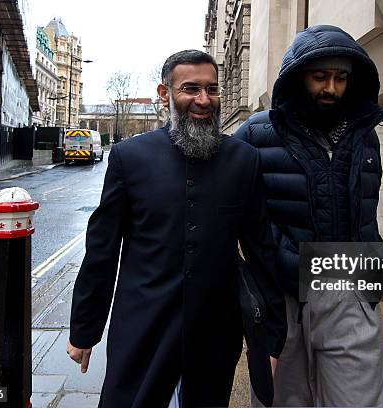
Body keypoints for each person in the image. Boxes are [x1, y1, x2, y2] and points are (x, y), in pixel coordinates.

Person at [67, 50, 286, 407]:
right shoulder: (128, 158)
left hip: (216, 328)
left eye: (211, 90)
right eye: (190, 89)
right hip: (142, 322)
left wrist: (273, 336)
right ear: (164, 93)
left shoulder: (244, 160)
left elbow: (262, 251)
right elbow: (102, 251)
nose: (203, 100)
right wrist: (84, 330)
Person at [234, 25, 383, 406]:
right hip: (280, 298)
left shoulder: (365, 135)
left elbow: (368, 208)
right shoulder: (255, 134)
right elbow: (231, 209)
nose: (330, 89)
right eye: (320, 77)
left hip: (349, 290)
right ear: (297, 77)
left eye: (340, 78)